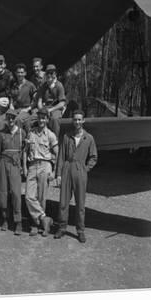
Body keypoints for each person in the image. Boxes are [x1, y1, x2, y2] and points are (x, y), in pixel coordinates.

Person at [54, 110, 98, 243]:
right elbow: (61, 156)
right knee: (63, 202)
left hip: (80, 171)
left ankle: (80, 230)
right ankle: (62, 228)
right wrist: (59, 174)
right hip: (67, 168)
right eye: (75, 119)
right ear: (72, 121)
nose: (77, 122)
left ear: (83, 121)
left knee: (80, 203)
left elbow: (94, 156)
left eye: (80, 119)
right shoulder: (67, 137)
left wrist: (86, 168)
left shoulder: (88, 138)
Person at [23, 108, 58, 236]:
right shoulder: (31, 133)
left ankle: (37, 225)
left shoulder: (50, 135)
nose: (41, 120)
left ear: (47, 120)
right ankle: (44, 219)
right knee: (29, 196)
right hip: (32, 165)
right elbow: (25, 151)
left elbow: (57, 153)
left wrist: (54, 171)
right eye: (40, 117)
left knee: (42, 197)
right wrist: (25, 167)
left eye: (44, 118)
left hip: (45, 165)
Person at [0, 108, 26, 235]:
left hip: (15, 164)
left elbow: (26, 151)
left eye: (13, 118)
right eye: (8, 118)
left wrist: (24, 166)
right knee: (3, 192)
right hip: (3, 163)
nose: (11, 120)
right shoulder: (1, 134)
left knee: (16, 194)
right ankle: (5, 219)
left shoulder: (22, 133)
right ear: (6, 119)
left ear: (16, 119)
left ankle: (18, 222)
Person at [34, 64, 67, 138]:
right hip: (44, 109)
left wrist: (50, 110)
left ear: (55, 74)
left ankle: (54, 142)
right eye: (48, 73)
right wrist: (42, 110)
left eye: (51, 73)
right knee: (32, 118)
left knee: (54, 120)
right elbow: (39, 101)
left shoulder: (59, 85)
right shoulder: (43, 86)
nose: (49, 75)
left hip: (55, 109)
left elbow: (62, 103)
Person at [9, 63, 37, 130]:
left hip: (26, 111)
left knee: (18, 119)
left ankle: (20, 139)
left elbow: (35, 99)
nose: (20, 74)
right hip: (15, 110)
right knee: (3, 119)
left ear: (25, 73)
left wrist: (28, 109)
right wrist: (11, 109)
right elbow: (11, 100)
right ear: (15, 73)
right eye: (18, 72)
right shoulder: (14, 85)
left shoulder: (30, 85)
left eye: (22, 72)